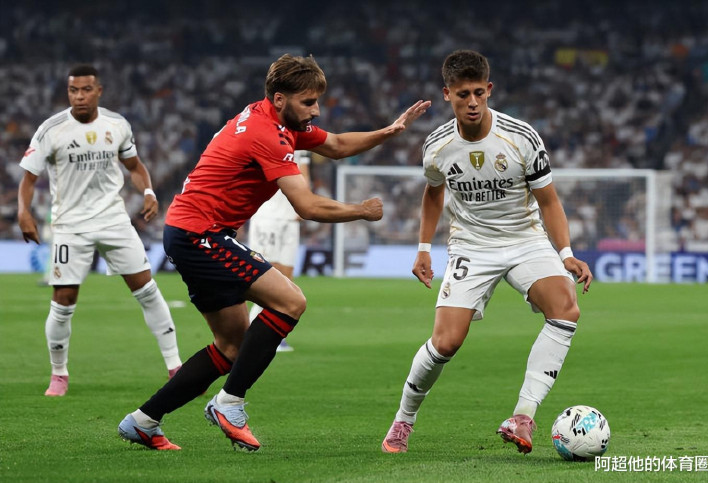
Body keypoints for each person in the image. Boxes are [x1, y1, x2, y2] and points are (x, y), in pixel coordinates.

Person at [118, 54, 431, 451]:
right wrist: (361, 210)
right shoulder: (266, 134)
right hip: (201, 234)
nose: (316, 111)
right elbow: (307, 206)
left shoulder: (272, 118)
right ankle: (230, 403)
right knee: (290, 301)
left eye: (317, 101)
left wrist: (389, 131)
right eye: (308, 102)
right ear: (280, 99)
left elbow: (336, 145)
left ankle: (143, 421)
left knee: (231, 346)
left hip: (190, 231)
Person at [381, 50, 593, 455]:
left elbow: (548, 200)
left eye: (479, 92)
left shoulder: (521, 137)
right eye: (463, 94)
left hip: (525, 239)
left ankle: (523, 416)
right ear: (447, 94)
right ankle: (403, 420)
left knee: (566, 308)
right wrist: (423, 248)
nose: (473, 102)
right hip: (471, 246)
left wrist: (565, 252)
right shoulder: (437, 145)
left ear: (490, 89)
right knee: (446, 342)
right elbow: (433, 193)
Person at [17, 65, 182, 397]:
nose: (79, 96)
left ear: (98, 91)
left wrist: (149, 191)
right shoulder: (51, 129)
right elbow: (29, 179)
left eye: (86, 90)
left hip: (113, 220)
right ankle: (59, 374)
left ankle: (176, 367)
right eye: (73, 90)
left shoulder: (116, 125)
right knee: (63, 300)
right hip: (70, 226)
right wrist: (23, 211)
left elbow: (135, 166)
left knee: (147, 289)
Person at [245, 150, 313, 353]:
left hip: (289, 219)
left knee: (286, 281)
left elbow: (304, 174)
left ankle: (267, 335)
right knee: (267, 279)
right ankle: (251, 335)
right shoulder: (266, 139)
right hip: (268, 217)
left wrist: (304, 203)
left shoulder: (302, 141)